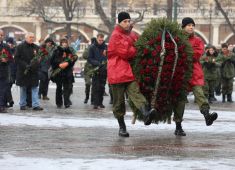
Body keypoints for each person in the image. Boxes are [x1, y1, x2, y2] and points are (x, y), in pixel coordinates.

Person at [107, 12, 156, 137]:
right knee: (119, 103)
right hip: (117, 72)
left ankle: (146, 114)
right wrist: (137, 49)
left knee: (136, 93)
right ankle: (122, 127)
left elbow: (139, 44)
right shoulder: (115, 36)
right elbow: (126, 53)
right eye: (125, 21)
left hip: (128, 72)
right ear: (119, 22)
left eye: (129, 21)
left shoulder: (131, 35)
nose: (127, 23)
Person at [173, 17, 218, 136]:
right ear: (183, 27)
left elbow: (196, 55)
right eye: (188, 25)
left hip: (194, 72)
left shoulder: (198, 41)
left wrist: (184, 52)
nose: (191, 27)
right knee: (180, 101)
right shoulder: (176, 40)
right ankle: (178, 126)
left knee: (200, 94)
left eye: (192, 25)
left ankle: (207, 115)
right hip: (181, 73)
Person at [15, 32, 43, 111]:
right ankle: (22, 104)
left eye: (33, 37)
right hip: (23, 71)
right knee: (23, 88)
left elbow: (39, 58)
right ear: (26, 38)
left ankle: (35, 105)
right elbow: (16, 59)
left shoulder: (36, 47)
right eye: (30, 37)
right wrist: (25, 65)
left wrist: (36, 63)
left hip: (33, 71)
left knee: (34, 88)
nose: (32, 38)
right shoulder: (20, 47)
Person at [50, 38, 78, 108]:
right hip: (58, 72)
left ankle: (66, 102)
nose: (64, 44)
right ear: (61, 43)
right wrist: (59, 64)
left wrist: (68, 63)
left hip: (67, 71)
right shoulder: (56, 51)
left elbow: (73, 59)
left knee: (67, 88)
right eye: (63, 42)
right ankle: (59, 103)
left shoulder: (70, 50)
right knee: (59, 88)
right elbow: (52, 61)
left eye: (65, 42)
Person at [88, 33, 107, 109]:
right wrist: (97, 63)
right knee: (96, 87)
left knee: (102, 87)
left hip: (104, 69)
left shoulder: (106, 47)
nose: (101, 41)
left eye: (102, 40)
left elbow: (108, 56)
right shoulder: (92, 47)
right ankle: (95, 103)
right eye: (100, 40)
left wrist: (105, 61)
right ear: (97, 39)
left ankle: (100, 102)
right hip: (95, 69)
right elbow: (89, 58)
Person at [0, 29, 12, 113]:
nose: (0, 37)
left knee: (2, 90)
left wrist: (6, 60)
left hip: (3, 71)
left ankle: (1, 106)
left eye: (1, 35)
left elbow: (11, 59)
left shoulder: (6, 46)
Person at [82, 37, 96, 104]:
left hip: (95, 68)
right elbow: (84, 56)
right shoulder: (88, 48)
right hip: (88, 68)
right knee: (88, 83)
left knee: (94, 84)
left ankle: (93, 99)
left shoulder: (98, 49)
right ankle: (87, 97)